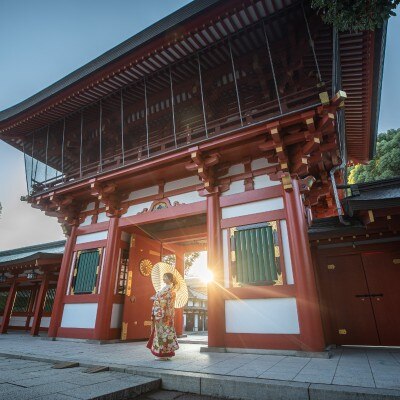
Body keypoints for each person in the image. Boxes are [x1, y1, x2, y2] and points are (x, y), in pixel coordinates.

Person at [146, 272, 179, 360]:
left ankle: (164, 354)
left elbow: (164, 300)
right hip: (162, 314)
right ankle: (166, 353)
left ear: (170, 279)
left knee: (164, 333)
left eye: (165, 277)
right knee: (164, 333)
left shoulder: (171, 290)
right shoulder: (165, 288)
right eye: (163, 277)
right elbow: (160, 297)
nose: (163, 279)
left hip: (164, 315)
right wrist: (156, 297)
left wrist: (156, 298)